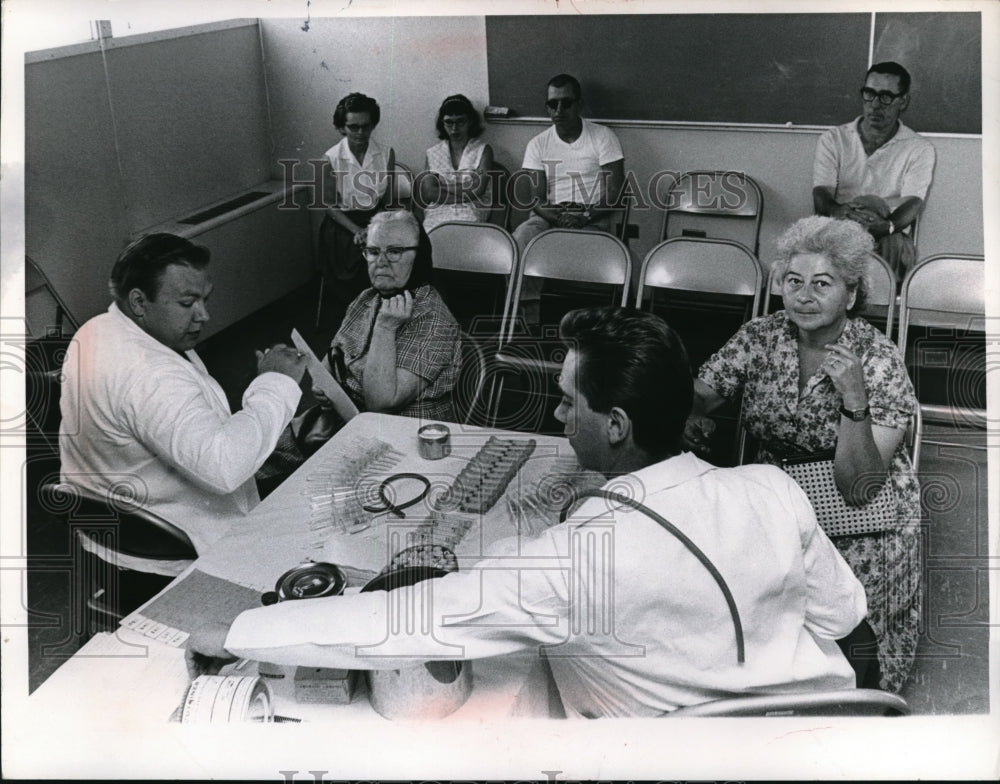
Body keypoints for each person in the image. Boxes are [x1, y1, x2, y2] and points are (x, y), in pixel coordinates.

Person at [188, 306, 866, 717]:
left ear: (618, 424)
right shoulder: (772, 489)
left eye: (570, 401)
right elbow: (845, 620)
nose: (558, 415)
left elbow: (404, 622)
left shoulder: (574, 559)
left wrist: (243, 630)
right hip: (824, 736)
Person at [688, 216, 921, 693]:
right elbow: (698, 396)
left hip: (860, 520)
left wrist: (854, 399)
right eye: (794, 281)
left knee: (845, 645)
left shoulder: (877, 359)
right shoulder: (761, 336)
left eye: (822, 284)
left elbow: (860, 487)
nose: (804, 296)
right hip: (777, 500)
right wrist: (690, 415)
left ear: (851, 295)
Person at [59, 233, 306, 573]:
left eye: (205, 299)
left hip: (110, 533)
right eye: (187, 303)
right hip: (170, 552)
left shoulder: (96, 330)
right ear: (139, 301)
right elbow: (224, 468)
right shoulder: (150, 374)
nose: (204, 315)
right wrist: (275, 381)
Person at [813, 61, 935, 280]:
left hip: (888, 234)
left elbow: (913, 203)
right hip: (841, 228)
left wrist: (887, 226)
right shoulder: (833, 139)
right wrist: (839, 212)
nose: (875, 105)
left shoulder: (919, 148)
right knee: (815, 243)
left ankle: (869, 296)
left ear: (903, 101)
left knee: (882, 224)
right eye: (869, 94)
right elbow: (822, 194)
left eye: (886, 96)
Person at [512, 74, 625, 253]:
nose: (559, 110)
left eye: (566, 103)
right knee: (520, 240)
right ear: (547, 108)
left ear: (579, 105)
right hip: (549, 215)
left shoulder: (604, 137)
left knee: (582, 252)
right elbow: (537, 198)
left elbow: (614, 192)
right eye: (553, 104)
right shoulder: (537, 143)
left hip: (591, 216)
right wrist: (558, 219)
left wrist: (584, 216)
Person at [318, 92, 397, 305]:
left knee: (412, 246)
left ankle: (394, 310)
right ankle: (362, 313)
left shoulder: (386, 154)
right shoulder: (330, 159)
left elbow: (387, 201)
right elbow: (329, 206)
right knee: (364, 259)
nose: (360, 133)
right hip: (343, 225)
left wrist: (376, 227)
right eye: (353, 127)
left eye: (366, 126)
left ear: (373, 125)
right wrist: (358, 231)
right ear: (342, 127)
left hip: (376, 219)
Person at [419, 94, 494, 232]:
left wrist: (442, 186)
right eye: (449, 122)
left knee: (465, 230)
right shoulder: (432, 152)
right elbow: (429, 192)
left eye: (460, 122)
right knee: (430, 234)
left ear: (470, 121)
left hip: (472, 208)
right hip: (439, 209)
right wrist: (465, 190)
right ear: (442, 123)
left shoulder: (483, 150)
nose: (454, 128)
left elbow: (478, 189)